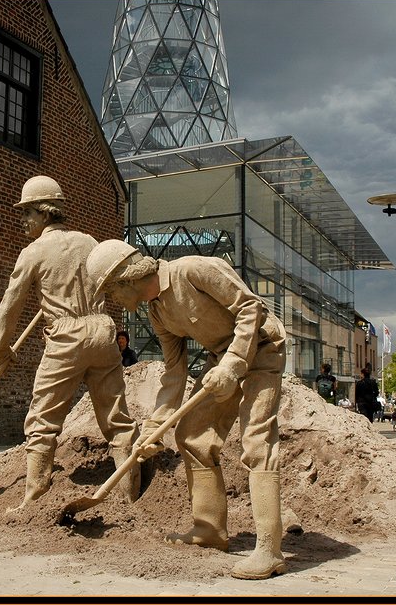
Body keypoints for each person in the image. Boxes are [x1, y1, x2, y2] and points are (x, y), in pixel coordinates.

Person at [86, 240, 288, 581]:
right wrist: (155, 427)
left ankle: (270, 549)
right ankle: (209, 530)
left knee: (256, 439)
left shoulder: (193, 269)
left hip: (262, 347)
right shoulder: (157, 312)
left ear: (126, 279)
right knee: (192, 436)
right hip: (220, 359)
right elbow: (174, 372)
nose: (115, 301)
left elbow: (250, 308)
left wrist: (234, 364)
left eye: (112, 291)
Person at [0, 176, 141, 512]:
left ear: (45, 213)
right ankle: (129, 495)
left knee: (42, 418)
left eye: (28, 212)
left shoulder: (33, 252)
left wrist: (1, 346)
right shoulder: (89, 241)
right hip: (103, 333)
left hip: (66, 339)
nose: (23, 220)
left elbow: (11, 302)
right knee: (116, 418)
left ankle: (33, 498)